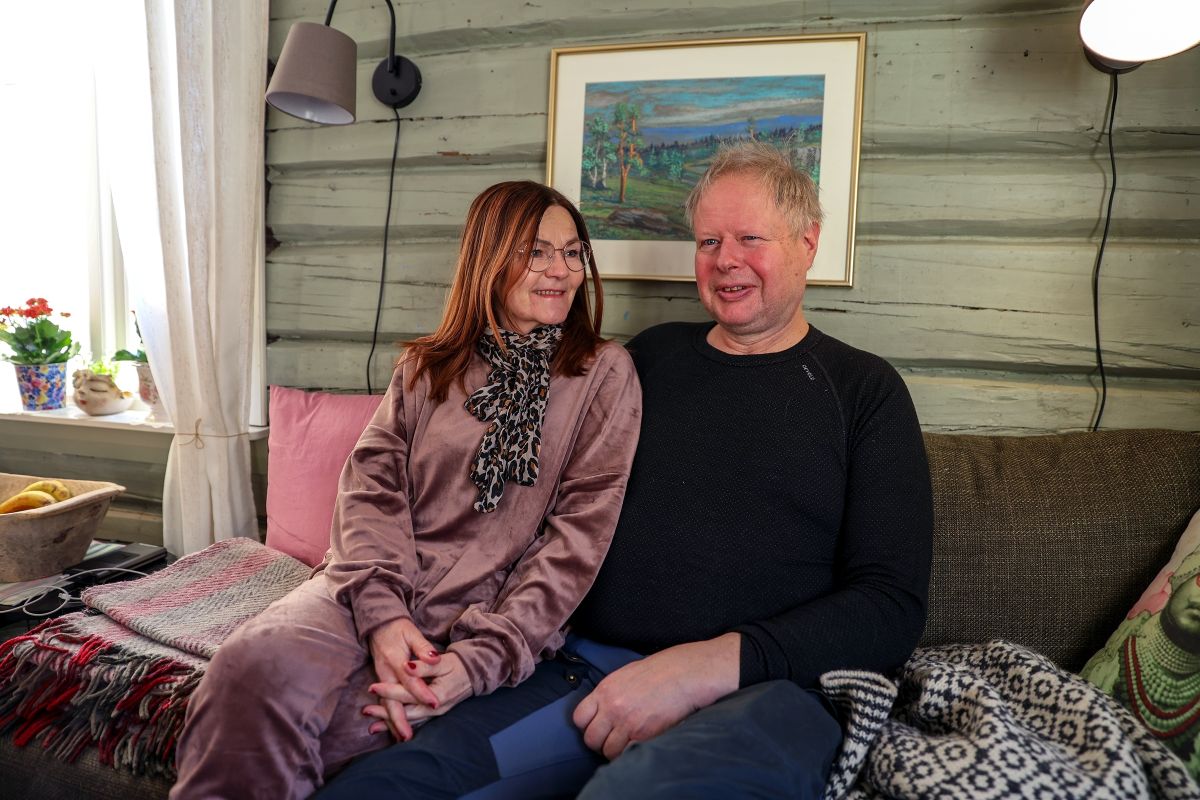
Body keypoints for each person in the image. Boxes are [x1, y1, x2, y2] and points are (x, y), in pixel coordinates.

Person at [320, 141, 933, 799]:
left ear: (807, 243)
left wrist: (700, 669)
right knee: (384, 785)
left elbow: (890, 605)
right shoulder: (645, 362)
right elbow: (523, 504)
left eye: (750, 238)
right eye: (708, 241)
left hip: (766, 694)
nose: (725, 260)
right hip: (585, 673)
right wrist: (461, 655)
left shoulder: (863, 391)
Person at [170, 181, 642, 799]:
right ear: (488, 258)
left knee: (343, 728)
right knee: (246, 669)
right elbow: (371, 488)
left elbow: (576, 541)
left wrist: (478, 661)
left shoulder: (602, 374)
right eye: (536, 251)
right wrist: (383, 614)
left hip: (471, 619)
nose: (561, 269)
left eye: (573, 252)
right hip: (363, 586)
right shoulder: (427, 365)